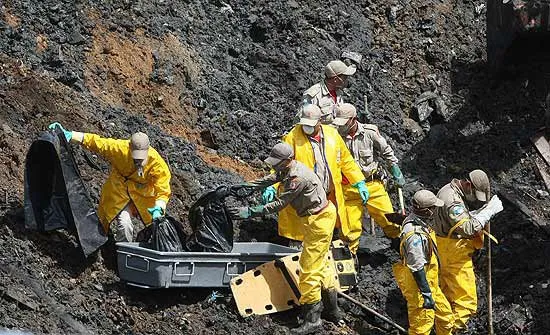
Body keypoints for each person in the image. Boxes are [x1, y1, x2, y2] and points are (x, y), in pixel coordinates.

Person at [229, 143, 343, 334]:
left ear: (288, 160)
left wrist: (249, 211)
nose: (275, 167)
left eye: (277, 163)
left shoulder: (297, 179)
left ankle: (313, 318)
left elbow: (279, 204)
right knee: (321, 264)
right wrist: (247, 187)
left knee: (308, 269)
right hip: (317, 217)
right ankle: (333, 310)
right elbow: (273, 177)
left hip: (319, 220)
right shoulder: (289, 169)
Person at [263, 104, 368, 250]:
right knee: (301, 243)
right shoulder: (292, 137)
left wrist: (359, 181)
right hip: (302, 198)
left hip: (326, 197)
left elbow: (346, 160)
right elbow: (281, 165)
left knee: (325, 236)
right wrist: (271, 186)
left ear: (320, 121)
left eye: (311, 124)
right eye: (304, 124)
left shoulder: (332, 135)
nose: (307, 128)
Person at [48, 122, 171, 242]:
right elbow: (98, 143)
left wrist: (159, 207)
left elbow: (163, 188)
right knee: (125, 224)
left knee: (155, 227)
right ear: (129, 148)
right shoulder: (120, 149)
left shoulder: (156, 163)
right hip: (120, 191)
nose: (138, 161)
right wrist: (71, 135)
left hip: (144, 196)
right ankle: (123, 252)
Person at [433, 169, 503, 330]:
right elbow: (466, 228)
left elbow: (455, 220)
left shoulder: (449, 190)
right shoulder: (452, 200)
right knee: (467, 302)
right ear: (468, 184)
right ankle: (450, 330)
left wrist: (476, 213)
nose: (474, 200)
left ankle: (441, 325)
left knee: (449, 293)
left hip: (444, 248)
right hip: (453, 253)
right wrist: (487, 213)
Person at [332, 103, 404, 246]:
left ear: (354, 119)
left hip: (372, 185)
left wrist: (396, 171)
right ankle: (350, 258)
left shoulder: (369, 133)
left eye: (345, 122)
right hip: (349, 188)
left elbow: (386, 152)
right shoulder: (334, 136)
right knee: (349, 229)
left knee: (390, 221)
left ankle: (401, 246)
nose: (342, 126)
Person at [392, 190, 455, 335]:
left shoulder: (416, 221)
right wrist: (426, 295)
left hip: (431, 285)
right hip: (420, 289)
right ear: (426, 211)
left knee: (446, 318)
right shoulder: (415, 236)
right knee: (422, 328)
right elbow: (417, 267)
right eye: (433, 208)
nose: (435, 210)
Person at [299, 60, 357, 124]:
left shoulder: (338, 93)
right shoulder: (313, 95)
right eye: (345, 78)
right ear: (335, 79)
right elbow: (302, 122)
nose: (347, 81)